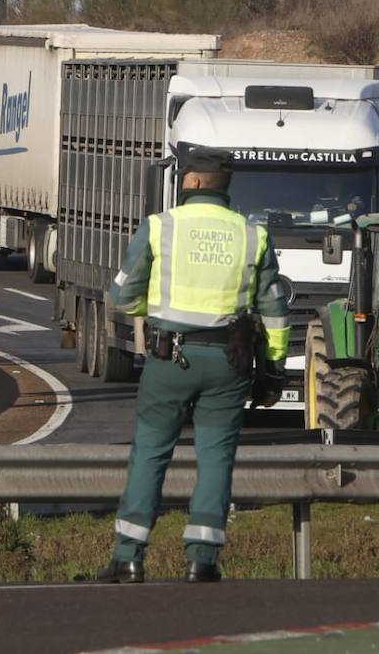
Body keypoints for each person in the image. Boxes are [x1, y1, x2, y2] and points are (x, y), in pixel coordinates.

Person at [97, 146, 291, 585]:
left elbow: (123, 296)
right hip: (229, 361)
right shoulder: (252, 235)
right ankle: (201, 559)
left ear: (193, 181)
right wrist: (274, 371)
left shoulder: (160, 228)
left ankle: (129, 557)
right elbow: (276, 312)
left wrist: (163, 312)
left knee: (150, 452)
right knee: (216, 457)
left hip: (171, 356)